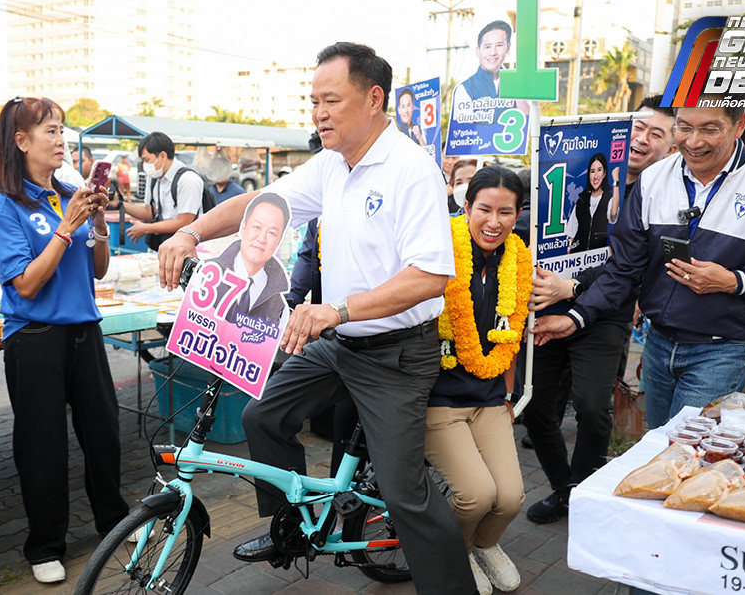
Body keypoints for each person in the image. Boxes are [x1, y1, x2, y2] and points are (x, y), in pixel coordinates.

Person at [157, 42, 478, 595]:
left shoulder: (410, 170)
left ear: (374, 99)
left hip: (397, 355)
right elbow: (261, 206)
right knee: (261, 418)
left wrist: (336, 310)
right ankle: (293, 530)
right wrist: (190, 231)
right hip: (340, 339)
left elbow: (430, 277)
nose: (318, 113)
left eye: (331, 100)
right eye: (313, 102)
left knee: (406, 495)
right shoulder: (332, 165)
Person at [533, 98, 745, 428]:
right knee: (657, 445)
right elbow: (625, 266)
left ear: (740, 125)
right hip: (658, 344)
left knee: (685, 451)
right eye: (684, 127)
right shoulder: (653, 179)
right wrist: (577, 316)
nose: (694, 141)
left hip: (722, 350)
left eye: (710, 129)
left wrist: (734, 280)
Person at [0, 96, 130, 584]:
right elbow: (25, 283)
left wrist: (97, 226)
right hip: (35, 337)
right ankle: (45, 545)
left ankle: (115, 522)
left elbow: (98, 270)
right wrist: (66, 229)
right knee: (42, 446)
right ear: (21, 141)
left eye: (62, 129)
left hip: (84, 332)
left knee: (104, 435)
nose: (60, 138)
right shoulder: (7, 203)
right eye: (49, 130)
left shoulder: (71, 190)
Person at [521, 97, 678, 523]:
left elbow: (628, 268)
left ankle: (584, 485)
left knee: (591, 406)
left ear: (670, 146)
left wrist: (572, 288)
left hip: (604, 315)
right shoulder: (571, 186)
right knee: (535, 404)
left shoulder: (663, 197)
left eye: (656, 134)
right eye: (638, 128)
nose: (642, 140)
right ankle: (565, 489)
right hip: (546, 304)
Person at [425, 166, 531, 595]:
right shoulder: (437, 252)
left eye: (505, 212)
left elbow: (515, 333)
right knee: (475, 495)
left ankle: (483, 545)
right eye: (484, 209)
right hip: (439, 400)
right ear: (465, 207)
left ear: (517, 214)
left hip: (489, 398)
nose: (494, 221)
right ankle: (457, 554)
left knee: (509, 497)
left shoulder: (518, 259)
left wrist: (507, 394)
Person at [209, 192, 290, 326]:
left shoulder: (279, 304)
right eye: (257, 227)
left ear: (279, 241)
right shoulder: (208, 275)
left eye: (272, 233)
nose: (262, 239)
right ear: (243, 227)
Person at [115, 131, 202, 249]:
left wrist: (146, 228)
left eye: (147, 160)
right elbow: (149, 212)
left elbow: (185, 222)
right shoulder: (155, 177)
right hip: (164, 242)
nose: (145, 165)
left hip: (187, 245)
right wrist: (119, 204)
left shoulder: (188, 179)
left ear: (162, 156)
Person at [450, 21, 529, 115]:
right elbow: (464, 128)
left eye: (499, 45)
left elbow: (527, 121)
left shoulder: (517, 84)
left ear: (508, 47)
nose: (493, 53)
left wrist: (515, 87)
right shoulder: (465, 88)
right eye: (487, 47)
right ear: (478, 51)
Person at [565, 153, 620, 254]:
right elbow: (572, 233)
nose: (595, 176)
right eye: (592, 171)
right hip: (578, 257)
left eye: (599, 170)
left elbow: (613, 214)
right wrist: (569, 256)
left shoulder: (609, 199)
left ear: (604, 173)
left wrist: (616, 181)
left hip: (596, 259)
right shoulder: (581, 200)